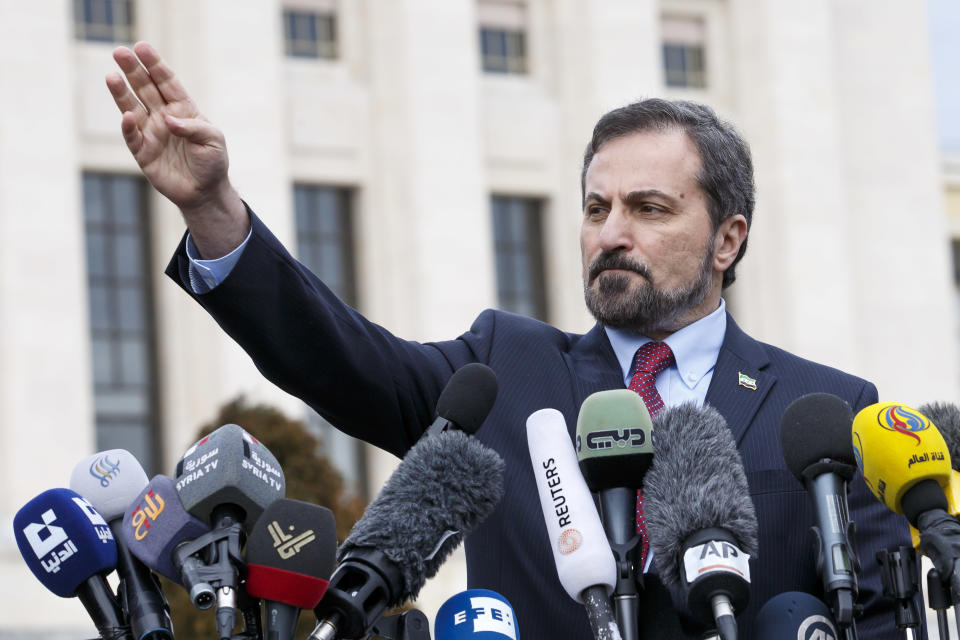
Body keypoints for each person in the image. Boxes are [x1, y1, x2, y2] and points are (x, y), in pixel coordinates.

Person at [107, 42, 911, 638]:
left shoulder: (827, 414)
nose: (612, 234)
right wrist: (213, 209)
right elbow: (341, 361)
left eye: (649, 209)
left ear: (728, 240)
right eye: (596, 210)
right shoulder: (503, 369)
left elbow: (878, 619)